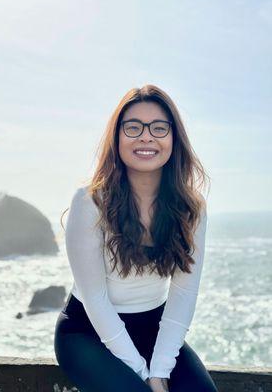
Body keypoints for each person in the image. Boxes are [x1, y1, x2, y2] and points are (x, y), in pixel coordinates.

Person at [54, 84, 218, 392]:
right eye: (133, 127)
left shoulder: (191, 208)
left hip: (153, 330)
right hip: (86, 331)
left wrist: (160, 368)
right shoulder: (91, 202)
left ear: (174, 138)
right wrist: (142, 373)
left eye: (159, 128)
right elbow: (95, 298)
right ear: (116, 138)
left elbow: (184, 294)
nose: (146, 137)